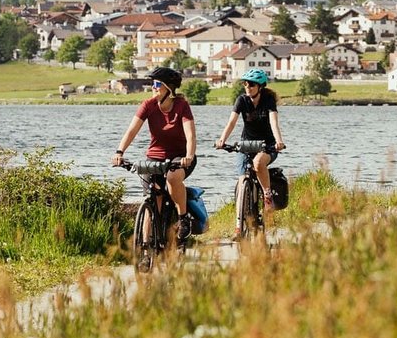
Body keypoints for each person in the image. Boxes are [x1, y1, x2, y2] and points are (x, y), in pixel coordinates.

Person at [112, 66, 199, 237]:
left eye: (157, 84)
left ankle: (183, 218)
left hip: (180, 157)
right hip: (154, 158)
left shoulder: (181, 106)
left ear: (169, 88)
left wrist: (188, 156)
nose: (153, 87)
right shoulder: (148, 105)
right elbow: (131, 131)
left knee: (173, 178)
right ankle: (145, 249)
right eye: (152, 84)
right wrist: (119, 152)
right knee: (152, 200)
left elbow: (191, 135)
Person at [213, 68, 286, 214]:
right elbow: (231, 122)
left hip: (268, 145)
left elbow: (273, 122)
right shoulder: (242, 100)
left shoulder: (268, 100)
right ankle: (239, 224)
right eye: (245, 84)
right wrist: (222, 140)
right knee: (241, 181)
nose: (248, 87)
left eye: (251, 84)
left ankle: (267, 196)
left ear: (260, 87)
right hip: (246, 144)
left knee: (258, 163)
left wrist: (279, 141)